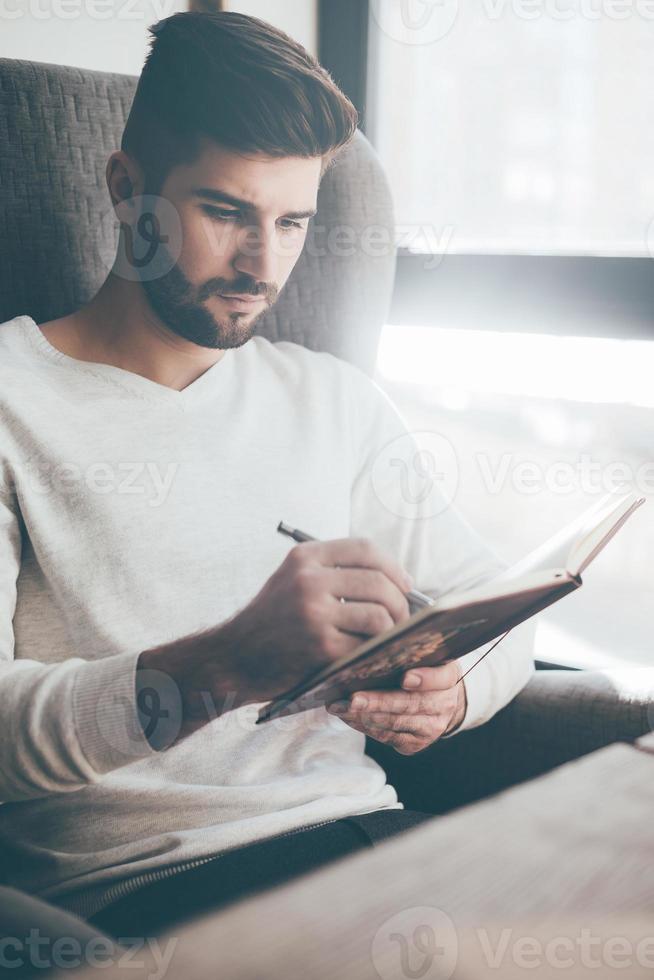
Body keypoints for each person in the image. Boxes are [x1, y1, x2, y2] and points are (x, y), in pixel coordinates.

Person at [0, 11, 534, 941]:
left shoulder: (335, 400)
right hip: (154, 894)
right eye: (225, 213)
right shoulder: (14, 401)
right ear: (126, 189)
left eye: (292, 222)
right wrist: (219, 667)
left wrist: (454, 696)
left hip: (377, 841)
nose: (262, 265)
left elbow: (499, 610)